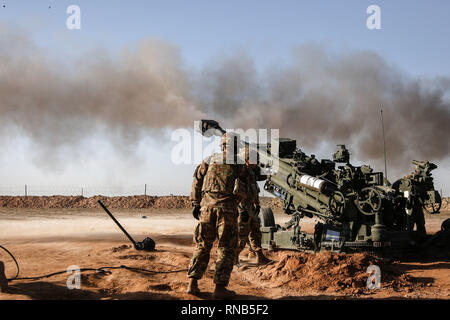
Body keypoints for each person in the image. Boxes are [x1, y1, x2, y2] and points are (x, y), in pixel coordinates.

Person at [186, 132, 249, 299]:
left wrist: (195, 203)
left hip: (206, 209)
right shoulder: (239, 164)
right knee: (226, 248)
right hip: (227, 211)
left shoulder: (209, 160)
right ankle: (219, 289)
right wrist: (244, 210)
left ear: (222, 145)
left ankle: (192, 284)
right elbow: (245, 189)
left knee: (202, 245)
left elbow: (196, 181)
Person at [236, 145, 272, 265]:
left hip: (252, 208)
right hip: (243, 210)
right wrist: (241, 210)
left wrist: (257, 205)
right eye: (253, 160)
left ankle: (260, 257)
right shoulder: (239, 174)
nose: (256, 163)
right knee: (241, 235)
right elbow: (237, 193)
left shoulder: (251, 173)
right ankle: (234, 259)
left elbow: (254, 190)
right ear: (246, 159)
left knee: (256, 233)